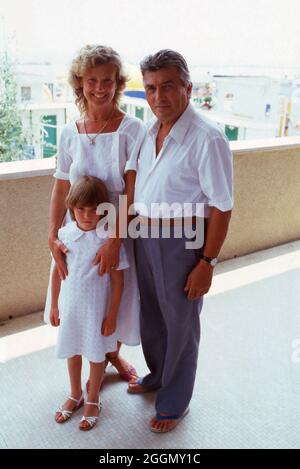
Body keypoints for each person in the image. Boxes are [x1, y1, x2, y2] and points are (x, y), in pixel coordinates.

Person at [128, 50, 233, 433]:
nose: (159, 97)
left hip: (182, 241)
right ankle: (157, 376)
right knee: (152, 316)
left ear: (187, 87)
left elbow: (223, 206)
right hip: (145, 235)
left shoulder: (208, 138)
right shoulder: (148, 129)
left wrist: (207, 263)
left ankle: (174, 403)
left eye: (168, 87)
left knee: (181, 324)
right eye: (152, 88)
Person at [45, 45, 146, 383]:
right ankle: (98, 362)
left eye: (107, 81)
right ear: (80, 83)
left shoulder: (133, 129)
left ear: (118, 83)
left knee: (115, 301)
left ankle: (110, 356)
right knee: (82, 301)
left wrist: (115, 240)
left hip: (119, 232)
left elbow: (133, 193)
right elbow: (61, 188)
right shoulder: (68, 132)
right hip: (77, 234)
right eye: (92, 80)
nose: (99, 88)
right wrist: (52, 236)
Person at [50, 176, 130, 430]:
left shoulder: (109, 241)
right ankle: (75, 393)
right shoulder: (64, 235)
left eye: (94, 209)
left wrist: (112, 315)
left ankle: (93, 398)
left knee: (96, 356)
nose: (87, 215)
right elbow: (57, 271)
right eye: (80, 209)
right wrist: (54, 305)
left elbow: (118, 281)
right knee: (72, 351)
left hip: (96, 311)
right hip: (71, 308)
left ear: (104, 209)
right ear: (71, 208)